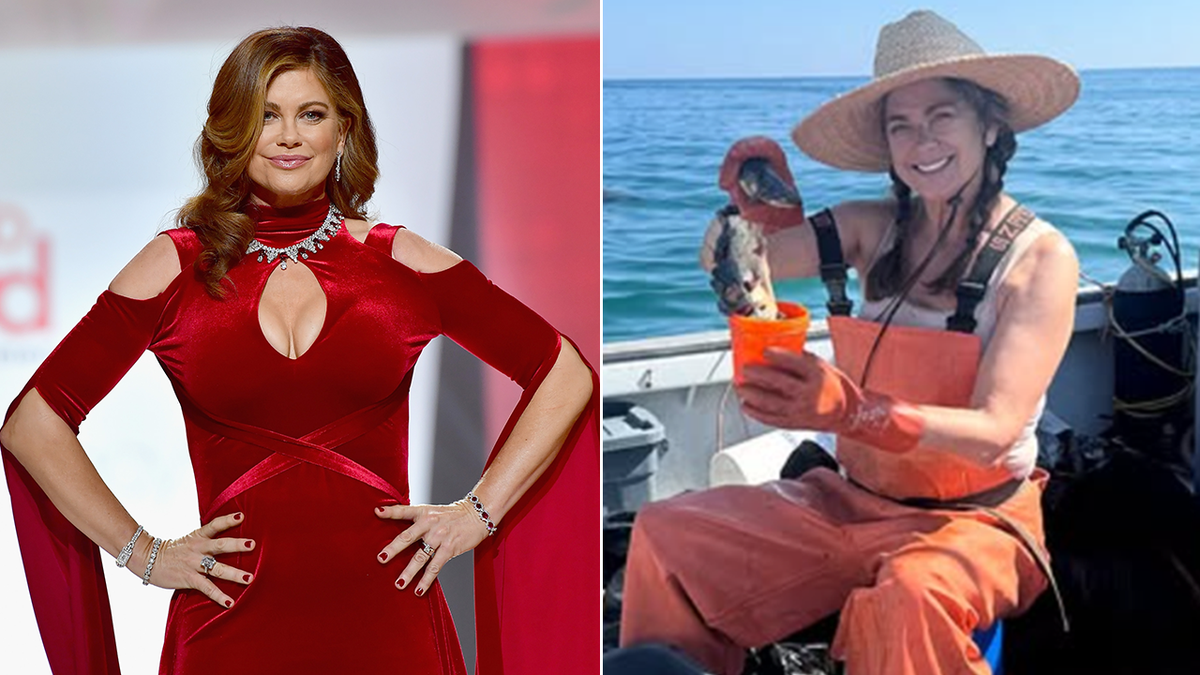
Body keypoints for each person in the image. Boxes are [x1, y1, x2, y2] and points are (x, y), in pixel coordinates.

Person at [0, 27, 597, 674]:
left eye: (311, 114)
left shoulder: (401, 259)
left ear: (344, 129)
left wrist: (476, 513)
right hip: (227, 621)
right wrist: (145, 552)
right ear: (232, 130)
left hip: (390, 616)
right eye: (266, 115)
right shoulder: (176, 264)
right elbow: (34, 422)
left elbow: (562, 371)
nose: (289, 136)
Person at [620, 10, 1080, 675]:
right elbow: (747, 263)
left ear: (989, 124)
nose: (921, 139)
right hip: (848, 498)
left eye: (941, 115)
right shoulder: (869, 229)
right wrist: (753, 215)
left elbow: (994, 427)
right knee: (666, 536)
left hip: (978, 522)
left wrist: (852, 412)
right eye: (901, 124)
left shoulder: (1041, 259)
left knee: (909, 596)